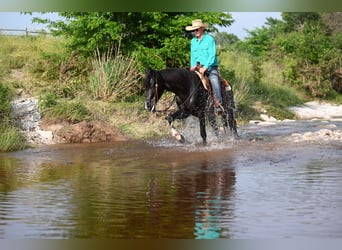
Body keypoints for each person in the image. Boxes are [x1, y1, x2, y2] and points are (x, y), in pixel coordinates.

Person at [186, 19, 223, 113]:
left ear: (202, 29)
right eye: (194, 30)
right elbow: (193, 56)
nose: (195, 32)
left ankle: (218, 104)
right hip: (197, 68)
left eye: (197, 29)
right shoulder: (193, 41)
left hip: (210, 68)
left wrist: (205, 67)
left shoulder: (209, 39)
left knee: (214, 81)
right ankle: (187, 105)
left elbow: (212, 54)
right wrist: (192, 66)